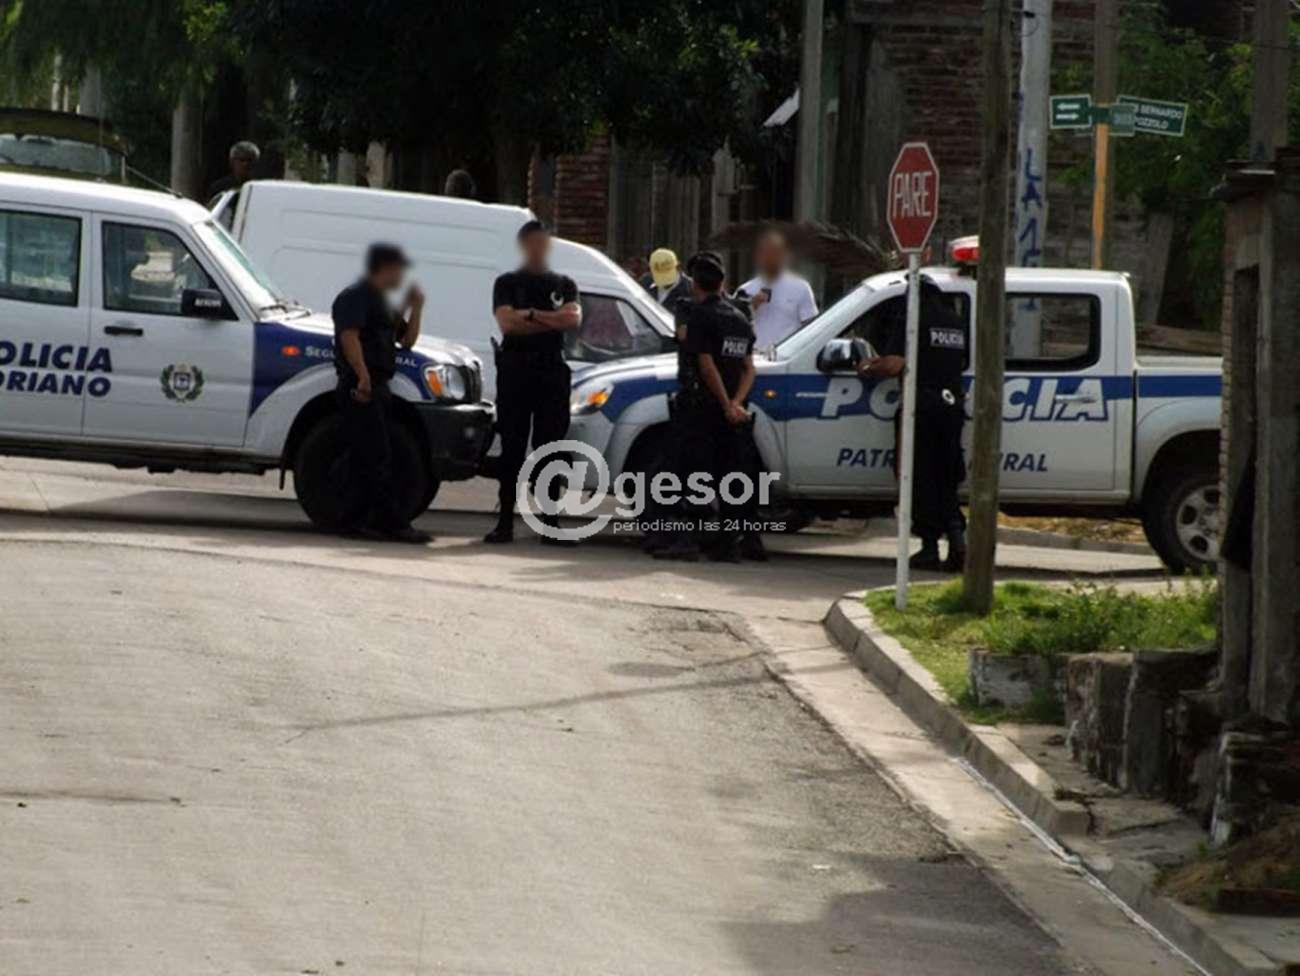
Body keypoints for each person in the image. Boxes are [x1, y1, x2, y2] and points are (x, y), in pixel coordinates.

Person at [656, 251, 762, 563]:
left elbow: (706, 365)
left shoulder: (700, 316)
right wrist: (736, 403)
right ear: (722, 283)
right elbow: (749, 368)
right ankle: (728, 545)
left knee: (692, 475)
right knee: (729, 476)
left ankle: (688, 541)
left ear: (695, 285)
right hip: (732, 415)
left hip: (703, 409)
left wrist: (725, 402)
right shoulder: (739, 318)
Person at [860, 276, 969, 571]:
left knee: (919, 477)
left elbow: (894, 364)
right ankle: (957, 541)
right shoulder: (955, 322)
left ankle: (929, 547)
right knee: (946, 476)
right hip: (952, 406)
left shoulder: (912, 318)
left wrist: (868, 366)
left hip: (921, 408)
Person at [485, 220, 583, 544]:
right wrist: (550, 320)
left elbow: (573, 319)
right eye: (535, 242)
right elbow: (507, 324)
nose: (541, 248)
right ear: (524, 245)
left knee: (551, 448)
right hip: (515, 370)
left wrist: (530, 315)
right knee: (512, 447)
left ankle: (550, 522)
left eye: (545, 242)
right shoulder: (507, 283)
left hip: (551, 371)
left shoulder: (564, 284)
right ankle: (504, 522)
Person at [331, 243, 431, 544]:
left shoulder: (382, 303)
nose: (402, 276)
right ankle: (393, 524)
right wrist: (362, 376)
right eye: (399, 269)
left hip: (378, 386)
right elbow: (349, 337)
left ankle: (352, 520)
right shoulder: (355, 297)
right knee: (377, 455)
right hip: (360, 385)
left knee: (364, 457)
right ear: (385, 268)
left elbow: (406, 341)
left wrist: (415, 308)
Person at [737, 229, 819, 347]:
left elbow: (811, 327)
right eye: (765, 253)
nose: (770, 258)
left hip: (788, 355)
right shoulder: (745, 290)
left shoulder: (801, 288)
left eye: (775, 253)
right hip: (756, 355)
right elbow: (732, 327)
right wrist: (750, 306)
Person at [640, 248, 693, 319]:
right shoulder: (645, 283)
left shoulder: (691, 289)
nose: (664, 280)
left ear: (678, 267)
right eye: (659, 274)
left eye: (667, 274)